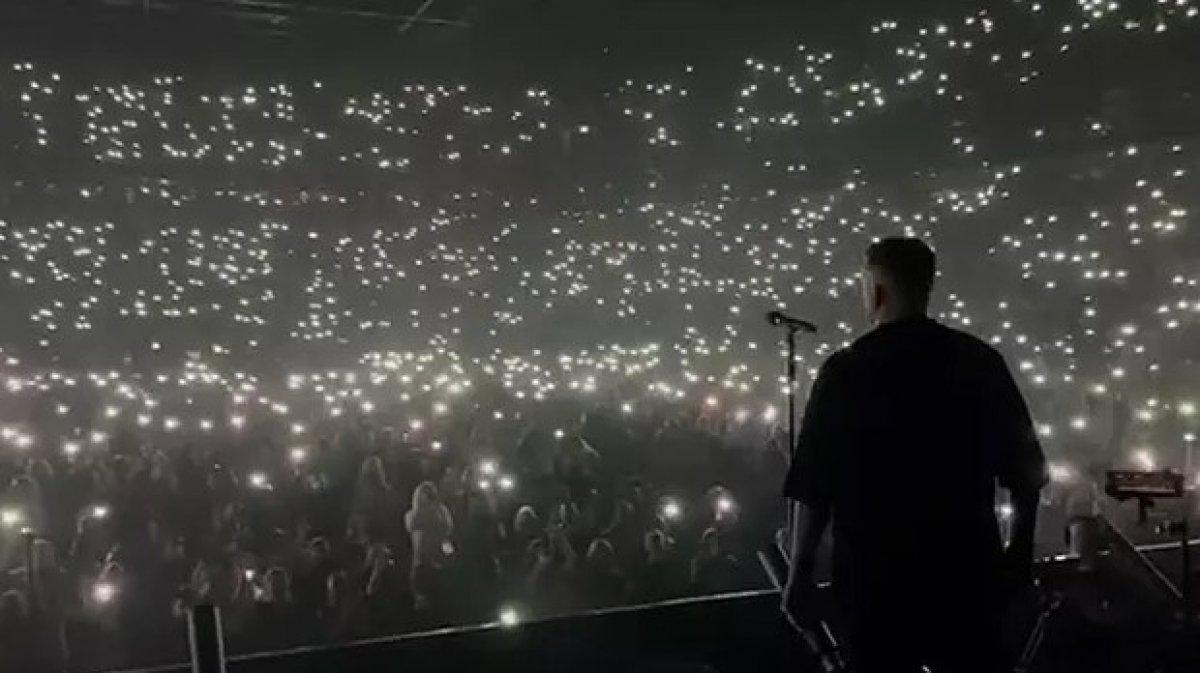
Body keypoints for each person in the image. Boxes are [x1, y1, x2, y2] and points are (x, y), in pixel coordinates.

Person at [781, 237, 1047, 673]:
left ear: (876, 290)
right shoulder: (978, 361)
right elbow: (1027, 473)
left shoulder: (847, 371)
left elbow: (813, 486)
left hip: (875, 584)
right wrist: (1017, 557)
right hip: (964, 576)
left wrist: (799, 577)